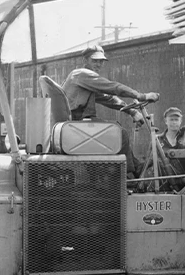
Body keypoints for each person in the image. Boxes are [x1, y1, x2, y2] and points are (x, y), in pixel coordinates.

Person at [62, 44, 160, 177]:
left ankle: (130, 169)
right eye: (94, 60)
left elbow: (108, 99)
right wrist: (141, 96)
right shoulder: (82, 74)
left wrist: (132, 112)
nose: (98, 64)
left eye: (101, 61)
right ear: (85, 60)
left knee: (117, 131)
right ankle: (130, 174)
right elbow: (113, 87)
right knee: (120, 134)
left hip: (77, 126)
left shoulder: (84, 80)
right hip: (76, 125)